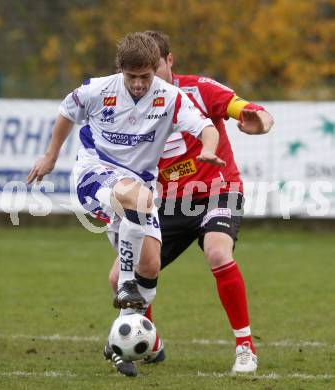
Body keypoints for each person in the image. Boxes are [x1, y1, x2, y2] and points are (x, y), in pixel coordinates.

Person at [27, 32, 224, 377]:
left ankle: (118, 341)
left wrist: (208, 148)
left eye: (144, 77)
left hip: (141, 189)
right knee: (138, 206)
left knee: (149, 265)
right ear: (121, 71)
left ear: (155, 69)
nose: (137, 84)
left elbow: (206, 127)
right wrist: (50, 155)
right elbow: (66, 112)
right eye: (131, 77)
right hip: (95, 173)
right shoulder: (98, 90)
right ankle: (126, 289)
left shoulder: (170, 97)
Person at [106, 31, 274, 376]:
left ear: (168, 62)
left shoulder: (197, 90)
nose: (146, 81)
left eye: (153, 71)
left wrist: (258, 116)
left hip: (216, 189)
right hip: (168, 204)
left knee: (217, 252)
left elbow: (238, 106)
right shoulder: (128, 104)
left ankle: (245, 347)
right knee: (120, 278)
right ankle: (149, 341)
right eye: (139, 75)